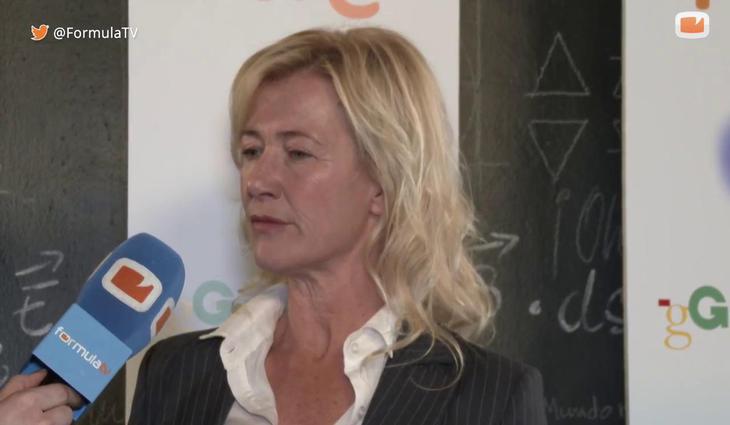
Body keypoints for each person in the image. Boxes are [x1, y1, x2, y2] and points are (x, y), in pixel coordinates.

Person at [0, 26, 546, 425]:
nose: (257, 179)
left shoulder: (491, 398)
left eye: (298, 153)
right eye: (251, 150)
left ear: (383, 182)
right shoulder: (176, 371)